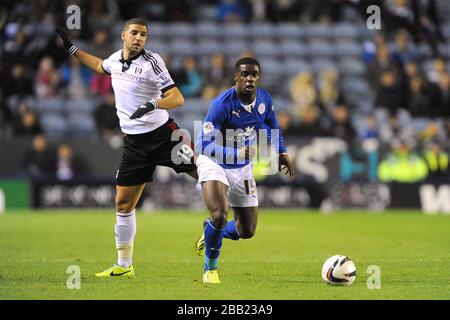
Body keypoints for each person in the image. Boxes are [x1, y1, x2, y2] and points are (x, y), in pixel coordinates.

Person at [56, 18, 197, 277]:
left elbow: (177, 98)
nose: (139, 38)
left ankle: (223, 222)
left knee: (204, 173)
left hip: (165, 135)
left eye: (143, 34)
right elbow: (99, 66)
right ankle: (124, 266)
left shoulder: (152, 63)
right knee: (123, 203)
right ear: (123, 35)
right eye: (134, 33)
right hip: (135, 143)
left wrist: (154, 103)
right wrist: (73, 50)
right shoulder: (115, 61)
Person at [194, 57, 295, 283]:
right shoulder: (221, 104)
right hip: (215, 163)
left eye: (254, 75)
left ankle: (210, 230)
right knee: (220, 215)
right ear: (236, 77)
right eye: (245, 74)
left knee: (247, 230)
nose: (250, 79)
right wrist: (235, 154)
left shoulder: (264, 99)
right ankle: (210, 270)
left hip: (243, 168)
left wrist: (282, 152)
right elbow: (202, 144)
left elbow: (271, 125)